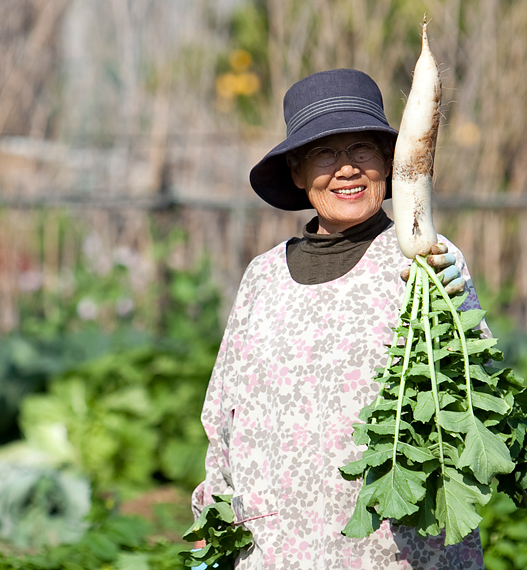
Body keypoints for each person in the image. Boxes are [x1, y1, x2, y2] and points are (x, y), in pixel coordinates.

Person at [191, 68, 488, 570]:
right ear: (297, 173)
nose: (346, 169)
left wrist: (460, 310)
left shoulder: (424, 263)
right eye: (325, 153)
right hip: (274, 550)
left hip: (392, 552)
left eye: (362, 151)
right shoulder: (262, 277)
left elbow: (476, 394)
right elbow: (223, 417)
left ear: (388, 165)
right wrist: (211, 522)